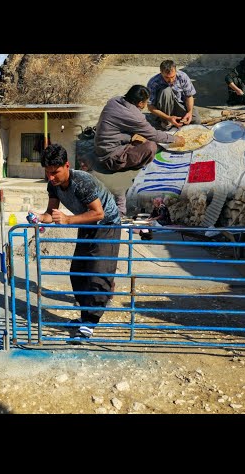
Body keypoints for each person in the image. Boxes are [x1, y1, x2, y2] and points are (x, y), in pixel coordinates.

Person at [31, 143, 121, 341]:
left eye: (55, 172)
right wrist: (38, 217)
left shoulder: (82, 181)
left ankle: (90, 322)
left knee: (98, 273)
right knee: (78, 271)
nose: (51, 177)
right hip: (86, 223)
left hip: (107, 224)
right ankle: (84, 316)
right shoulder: (52, 184)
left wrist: (68, 219)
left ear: (66, 165)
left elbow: (99, 213)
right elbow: (51, 214)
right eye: (47, 173)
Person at [94, 85, 184, 216]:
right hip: (110, 157)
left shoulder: (115, 100)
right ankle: (132, 168)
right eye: (145, 102)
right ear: (141, 103)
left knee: (140, 138)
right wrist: (175, 139)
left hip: (102, 147)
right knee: (151, 146)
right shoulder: (134, 115)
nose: (146, 104)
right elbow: (153, 134)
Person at [147, 60, 200, 130]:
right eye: (167, 77)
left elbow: (189, 96)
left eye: (173, 77)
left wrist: (189, 112)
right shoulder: (153, 83)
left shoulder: (182, 77)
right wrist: (167, 117)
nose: (171, 80)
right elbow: (150, 106)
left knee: (196, 120)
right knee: (166, 91)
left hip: (180, 104)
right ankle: (166, 122)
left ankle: (175, 119)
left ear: (176, 71)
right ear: (161, 72)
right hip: (164, 109)